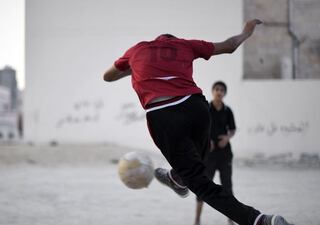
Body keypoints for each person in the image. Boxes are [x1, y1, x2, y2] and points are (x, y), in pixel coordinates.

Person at [103, 19, 294, 225]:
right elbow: (229, 46)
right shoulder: (185, 45)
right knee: (197, 161)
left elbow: (108, 76)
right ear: (173, 40)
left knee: (200, 183)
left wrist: (136, 67)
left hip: (163, 113)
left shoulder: (137, 49)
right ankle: (178, 177)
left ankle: (257, 220)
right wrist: (246, 32)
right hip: (196, 107)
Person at [194, 81, 236, 225]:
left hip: (225, 155)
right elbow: (198, 127)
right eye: (217, 89)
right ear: (212, 91)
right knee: (203, 186)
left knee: (227, 187)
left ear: (224, 93)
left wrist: (227, 137)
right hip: (208, 155)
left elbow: (233, 129)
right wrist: (206, 141)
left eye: (222, 90)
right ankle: (197, 219)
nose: (219, 92)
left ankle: (231, 218)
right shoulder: (206, 108)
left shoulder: (227, 110)